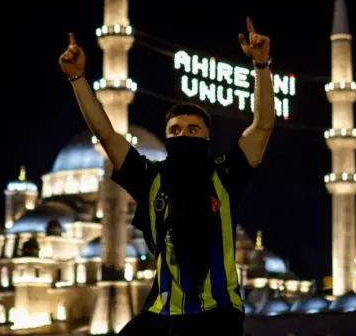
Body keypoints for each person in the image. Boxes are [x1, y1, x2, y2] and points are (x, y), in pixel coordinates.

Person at [59, 17, 275, 336]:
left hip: (218, 312)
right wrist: (77, 78)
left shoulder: (225, 174)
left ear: (206, 137)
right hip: (163, 312)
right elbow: (105, 132)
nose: (183, 134)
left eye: (193, 129)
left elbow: (262, 126)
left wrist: (261, 66)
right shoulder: (151, 177)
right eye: (174, 130)